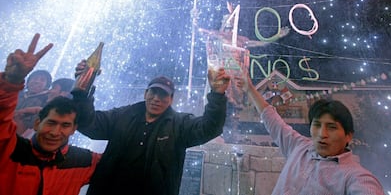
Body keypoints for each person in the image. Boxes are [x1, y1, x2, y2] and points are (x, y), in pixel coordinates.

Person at [73, 60, 231, 195]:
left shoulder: (180, 125)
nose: (156, 99)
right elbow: (89, 125)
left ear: (171, 99)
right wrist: (82, 92)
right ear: (145, 93)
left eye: (163, 95)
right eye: (153, 92)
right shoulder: (122, 115)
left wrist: (217, 96)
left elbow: (210, 127)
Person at [242, 75, 385, 195]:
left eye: (332, 127)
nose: (322, 134)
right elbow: (271, 119)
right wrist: (249, 88)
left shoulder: (355, 177)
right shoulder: (300, 147)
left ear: (348, 136)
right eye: (317, 125)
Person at [0, 33, 101, 195]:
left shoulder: (84, 161)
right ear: (37, 122)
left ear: (74, 128)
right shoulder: (11, 149)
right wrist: (11, 81)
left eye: (65, 125)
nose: (54, 133)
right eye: (51, 123)